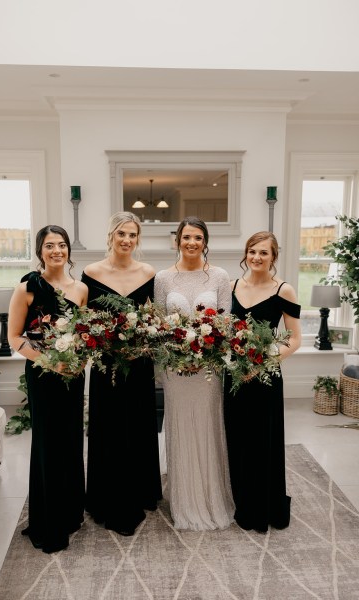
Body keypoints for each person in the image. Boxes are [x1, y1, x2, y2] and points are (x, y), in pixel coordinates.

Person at [8, 225, 88, 553]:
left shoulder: (80, 288)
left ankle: (70, 513)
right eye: (49, 245)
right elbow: (15, 338)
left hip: (73, 375)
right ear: (40, 250)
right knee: (48, 444)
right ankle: (48, 522)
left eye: (62, 245)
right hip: (43, 375)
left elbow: (84, 332)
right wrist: (50, 361)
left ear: (69, 250)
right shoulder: (27, 286)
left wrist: (80, 359)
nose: (57, 250)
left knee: (71, 441)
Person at [82, 211, 162, 537]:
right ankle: (106, 495)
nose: (127, 240)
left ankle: (141, 490)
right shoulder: (91, 273)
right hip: (107, 365)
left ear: (137, 239)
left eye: (132, 235)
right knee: (110, 427)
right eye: (121, 234)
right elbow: (85, 321)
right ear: (111, 236)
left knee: (139, 424)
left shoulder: (148, 272)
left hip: (139, 363)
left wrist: (144, 341)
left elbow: (153, 319)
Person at [154, 216, 235, 530]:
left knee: (207, 425)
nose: (191, 243)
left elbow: (226, 323)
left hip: (208, 369)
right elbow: (159, 325)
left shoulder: (219, 275)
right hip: (176, 369)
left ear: (205, 242)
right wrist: (173, 357)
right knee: (181, 426)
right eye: (186, 237)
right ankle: (183, 496)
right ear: (177, 240)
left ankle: (211, 494)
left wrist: (206, 350)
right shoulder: (163, 277)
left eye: (198, 238)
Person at [223, 231, 301, 533]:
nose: (257, 257)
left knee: (262, 441)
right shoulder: (230, 287)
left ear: (273, 257)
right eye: (252, 251)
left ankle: (264, 505)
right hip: (234, 376)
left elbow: (294, 340)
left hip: (265, 377)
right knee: (237, 438)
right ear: (246, 254)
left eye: (263, 253)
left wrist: (262, 362)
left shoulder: (284, 290)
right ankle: (241, 500)